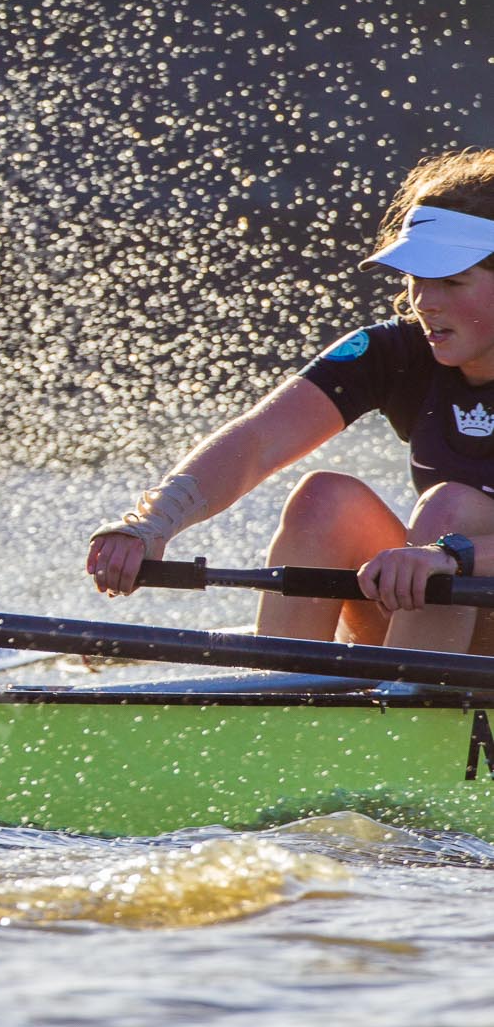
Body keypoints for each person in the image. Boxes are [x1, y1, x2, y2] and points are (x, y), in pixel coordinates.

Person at [89, 149, 494, 653]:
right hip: (450, 610)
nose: (424, 301)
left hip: (465, 597)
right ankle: (283, 699)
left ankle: (412, 702)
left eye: (452, 282)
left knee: (451, 509)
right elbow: (258, 440)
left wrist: (455, 555)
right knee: (324, 498)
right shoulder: (398, 351)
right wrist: (151, 523)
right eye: (415, 278)